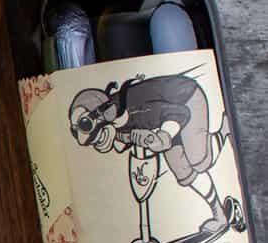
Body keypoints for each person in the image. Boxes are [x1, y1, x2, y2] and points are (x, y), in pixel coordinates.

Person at [67, 71, 232, 232]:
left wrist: (162, 138)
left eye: (95, 134)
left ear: (104, 112)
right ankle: (220, 216)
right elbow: (127, 138)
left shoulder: (135, 110)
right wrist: (147, 139)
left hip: (187, 99)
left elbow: (179, 114)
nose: (98, 142)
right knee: (182, 171)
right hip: (164, 120)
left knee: (199, 160)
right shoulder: (114, 124)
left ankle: (225, 128)